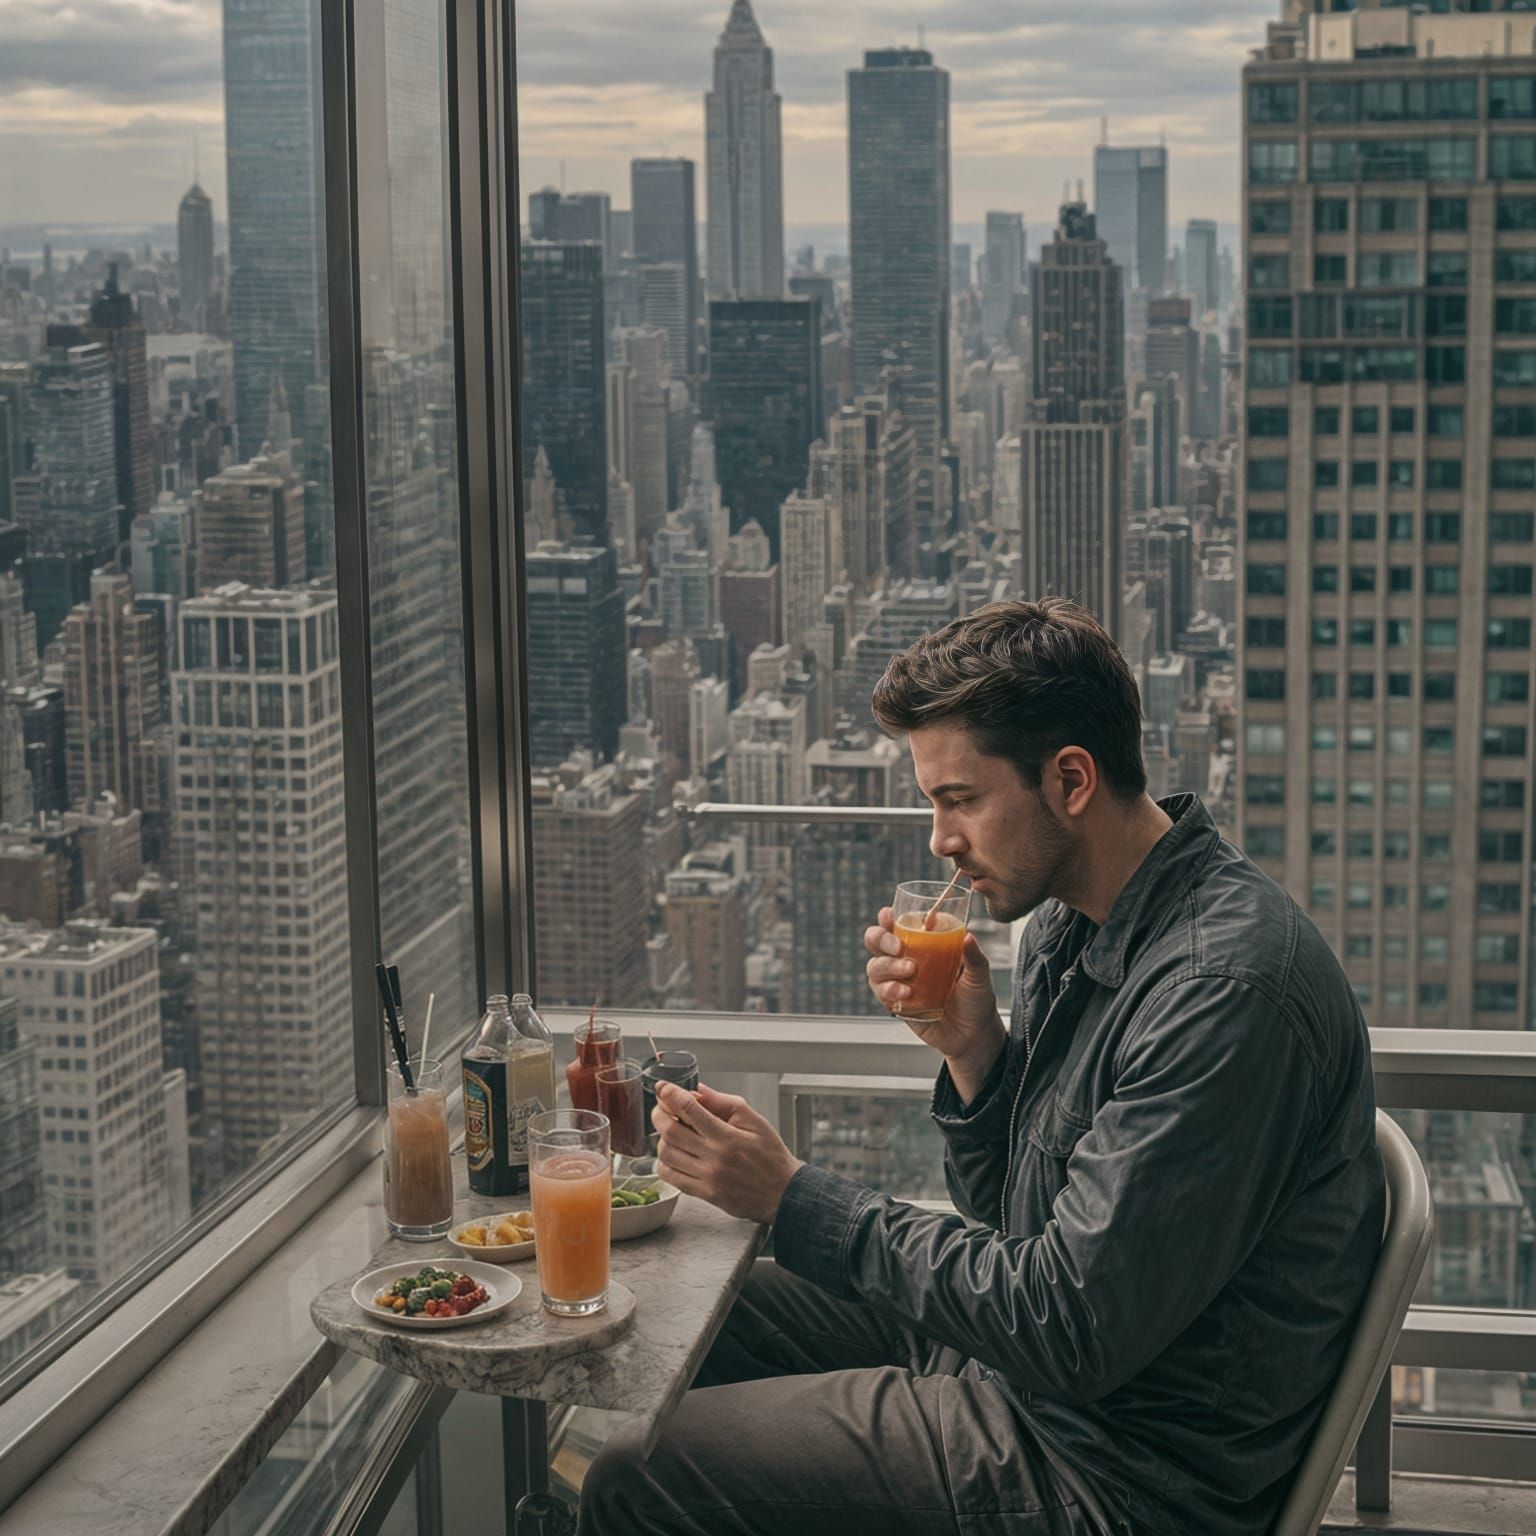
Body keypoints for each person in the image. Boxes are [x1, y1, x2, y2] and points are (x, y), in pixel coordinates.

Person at [579, 597, 1385, 1536]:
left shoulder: (1224, 993)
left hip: (1116, 1470)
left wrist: (793, 1197)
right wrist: (976, 1054)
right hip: (1032, 1375)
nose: (940, 840)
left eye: (959, 799)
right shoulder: (1065, 921)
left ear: (1071, 780)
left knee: (637, 1477)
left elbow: (1071, 1329)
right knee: (682, 1303)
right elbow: (1011, 1219)